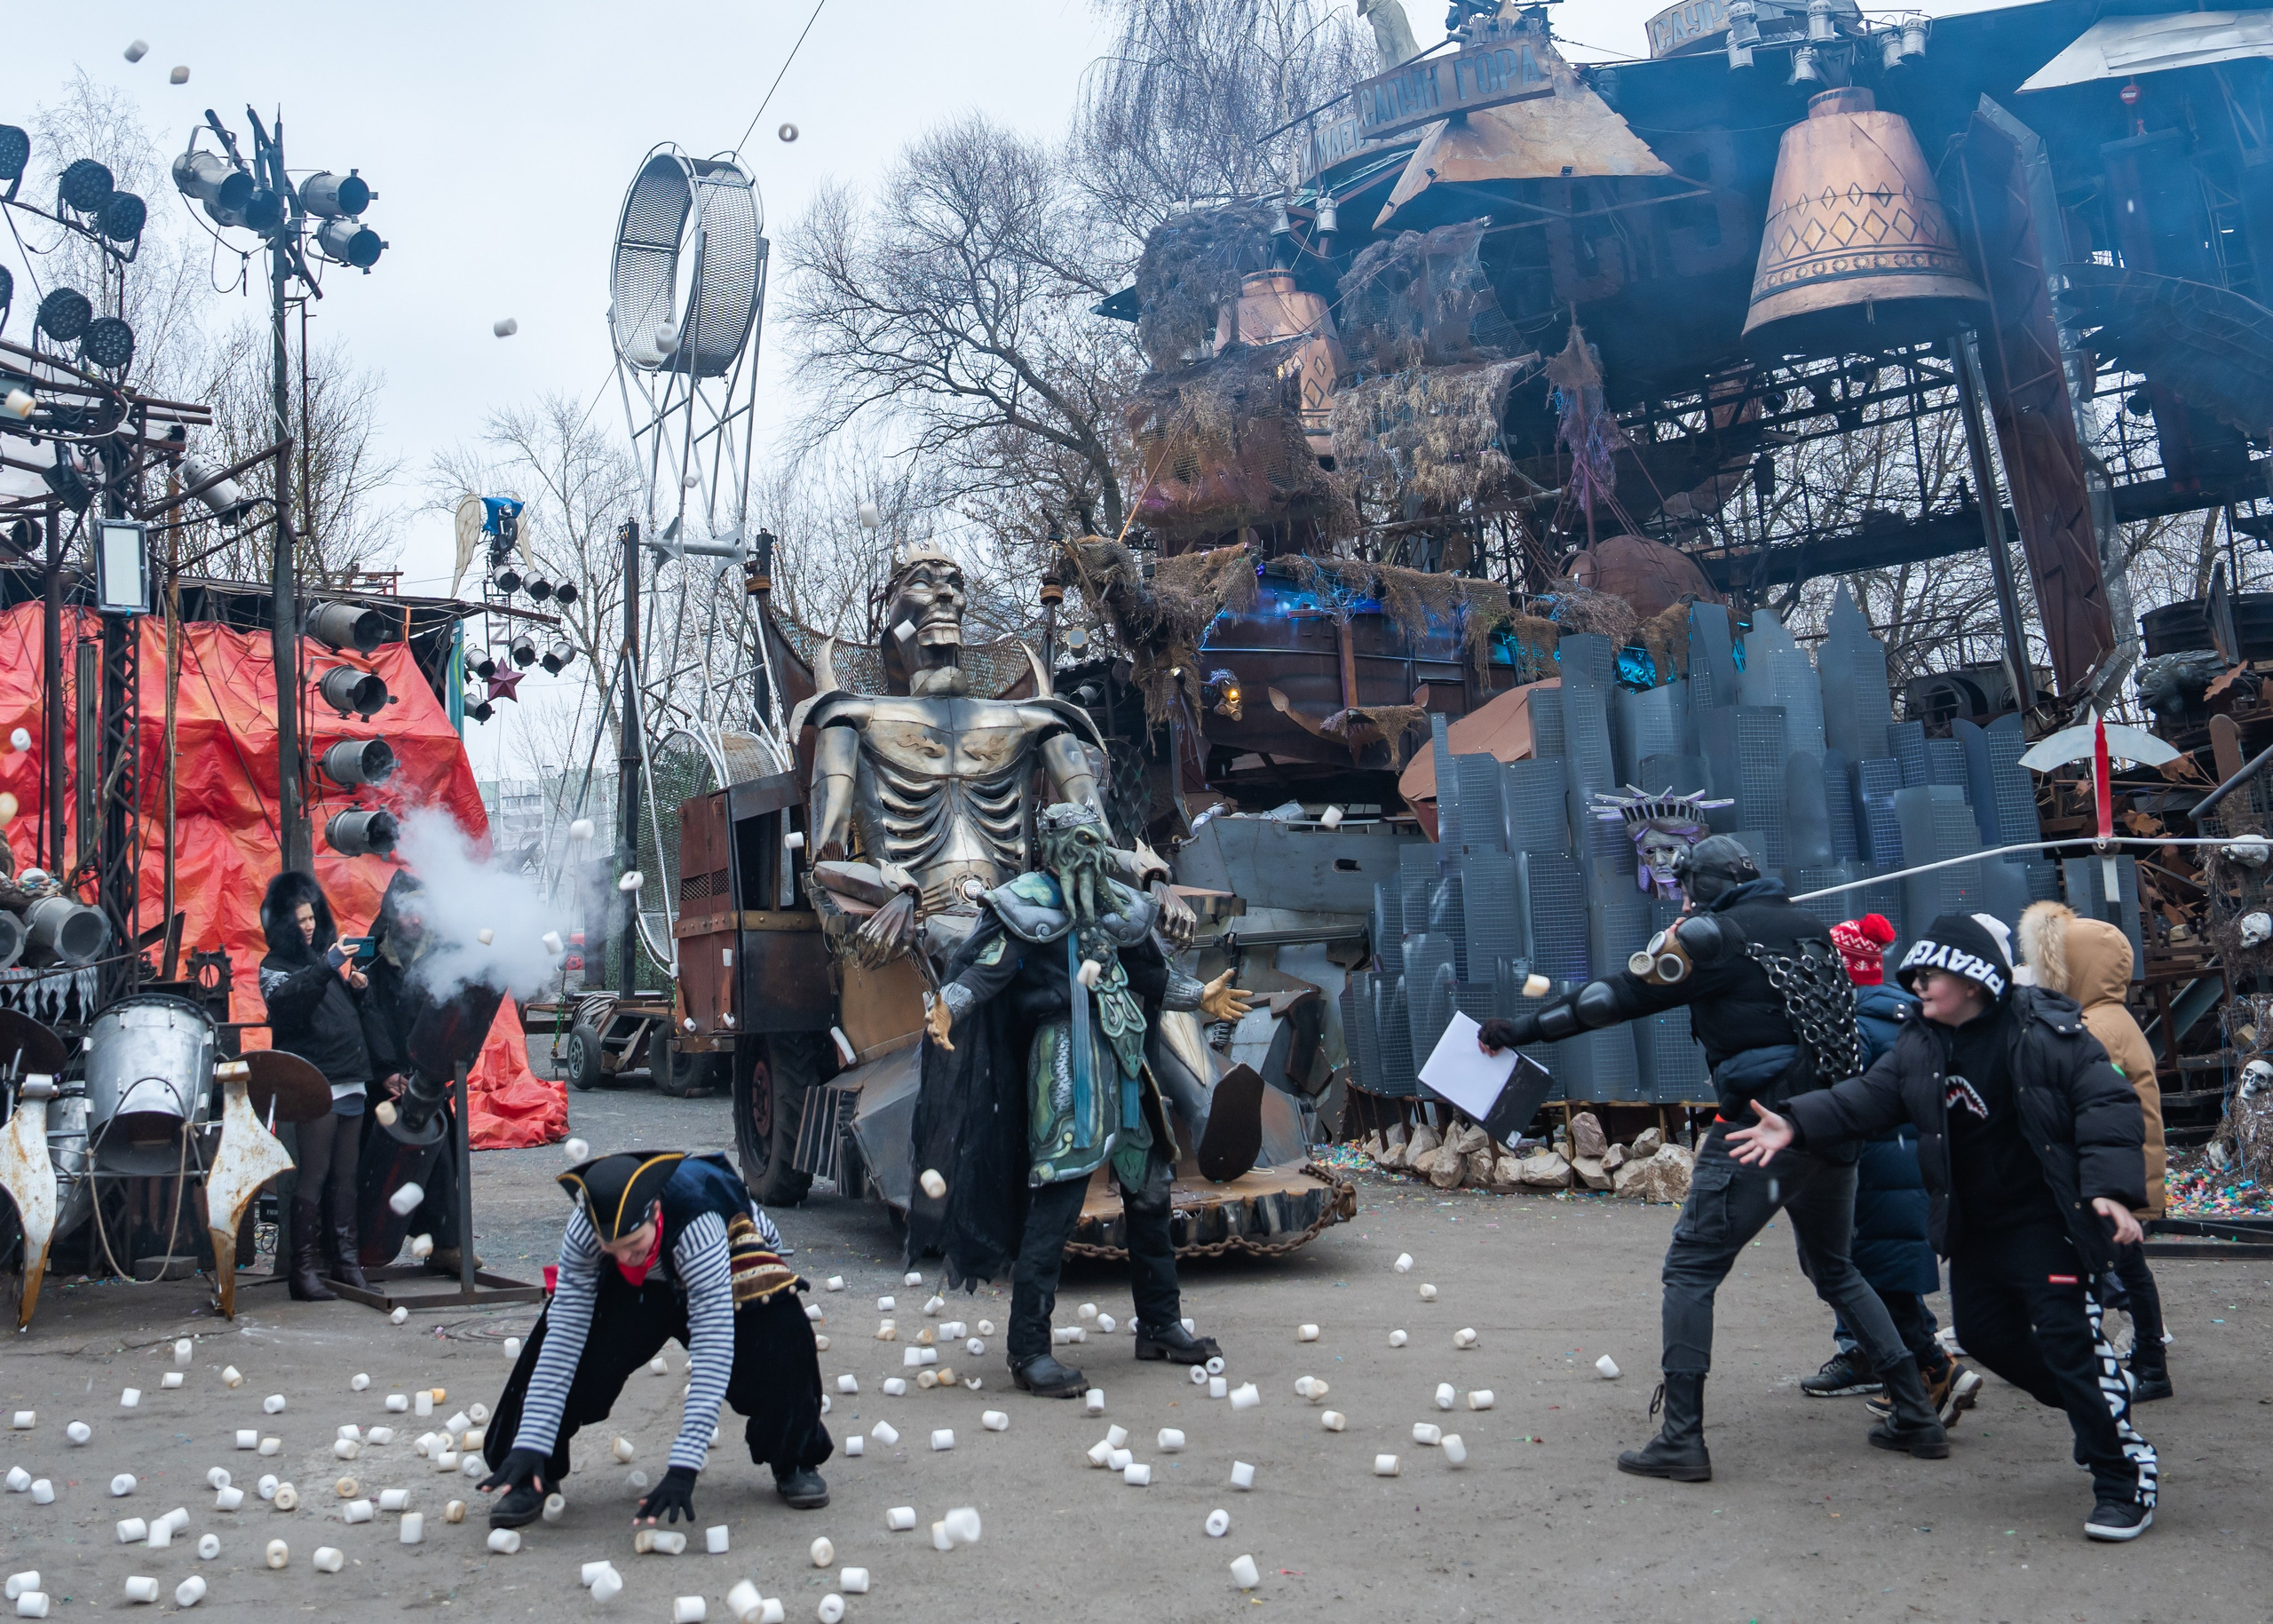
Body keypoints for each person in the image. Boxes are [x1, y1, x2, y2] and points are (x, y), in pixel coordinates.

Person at [1478, 835, 1948, 1481]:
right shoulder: (1812, 929)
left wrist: (1522, 1030)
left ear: (1699, 887)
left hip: (1759, 1125)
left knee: (1691, 1268)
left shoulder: (1712, 937)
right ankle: (1918, 1414)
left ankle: (1681, 1438)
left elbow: (1613, 998)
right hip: (1831, 1122)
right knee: (1836, 1268)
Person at [1729, 912, 2158, 1542]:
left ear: (1974, 980)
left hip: (2047, 1221)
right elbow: (1869, 1096)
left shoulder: (2044, 1029)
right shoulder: (1921, 1042)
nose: (1919, 985)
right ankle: (2100, 1407)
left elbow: (2107, 1103)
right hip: (1977, 1226)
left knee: (2069, 1344)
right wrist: (1794, 1121)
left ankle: (2123, 1477)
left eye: (1931, 974)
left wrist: (2112, 1192)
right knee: (1985, 1334)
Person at [911, 802, 1254, 1397]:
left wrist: (1200, 995)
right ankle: (1028, 1350)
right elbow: (987, 970)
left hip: (1124, 1056)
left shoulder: (1121, 905)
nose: (1088, 852)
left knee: (1149, 1190)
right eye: (1076, 841)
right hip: (1064, 1060)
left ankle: (1160, 1322)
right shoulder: (1024, 903)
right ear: (1051, 845)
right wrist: (950, 1004)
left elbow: (1151, 974)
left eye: (1096, 840)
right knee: (1059, 1196)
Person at [479, 1150, 829, 1529]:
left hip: (724, 1265)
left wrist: (684, 1466)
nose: (626, 1257)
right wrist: (531, 1440)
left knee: (781, 1332)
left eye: (634, 1245)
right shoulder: (585, 1230)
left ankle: (795, 1456)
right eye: (612, 1250)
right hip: (640, 1291)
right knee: (553, 1336)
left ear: (655, 1212)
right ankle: (531, 1469)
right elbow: (566, 1332)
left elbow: (714, 1348)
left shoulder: (698, 1223)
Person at [1801, 915, 1985, 1430]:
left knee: (1864, 1271)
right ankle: (1897, 1363)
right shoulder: (1906, 1014)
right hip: (1906, 1161)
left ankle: (1934, 1371)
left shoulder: (1851, 1021)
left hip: (1873, 1165)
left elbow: (1845, 1091)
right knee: (1886, 1271)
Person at [2018, 900, 2171, 1401]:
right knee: (2122, 1268)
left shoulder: (2096, 1030)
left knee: (2123, 1269)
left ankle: (2150, 1364)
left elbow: (2093, 1109)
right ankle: (2140, 1359)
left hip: (2114, 1175)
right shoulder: (2108, 1017)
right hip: (2121, 1169)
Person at [258, 870, 376, 1302]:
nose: (308, 925)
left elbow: (336, 1013)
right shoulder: (274, 967)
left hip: (350, 1077)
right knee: (314, 1175)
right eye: (300, 919)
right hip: (316, 1081)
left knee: (346, 1177)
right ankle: (303, 1270)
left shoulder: (322, 962)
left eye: (312, 917)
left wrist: (357, 989)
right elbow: (289, 1006)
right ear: (284, 923)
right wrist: (328, 966)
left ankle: (346, 1264)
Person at [353, 871, 474, 1274]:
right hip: (381, 1081)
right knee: (370, 1164)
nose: (417, 921)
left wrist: (441, 1066)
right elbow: (367, 1017)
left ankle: (446, 1245)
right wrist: (386, 1072)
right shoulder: (370, 957)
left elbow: (452, 1017)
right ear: (393, 913)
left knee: (441, 1161)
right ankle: (361, 1244)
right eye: (409, 913)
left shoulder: (442, 954)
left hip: (427, 1075)